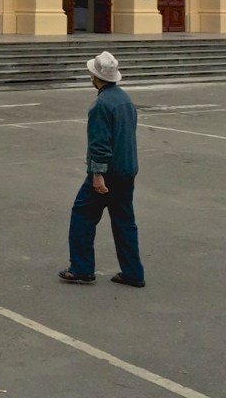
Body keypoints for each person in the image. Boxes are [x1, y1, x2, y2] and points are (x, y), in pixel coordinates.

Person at [58, 50, 145, 288]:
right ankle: (133, 271)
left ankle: (81, 267)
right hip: (127, 169)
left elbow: (100, 143)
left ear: (96, 77)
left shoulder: (101, 105)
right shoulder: (125, 99)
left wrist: (97, 174)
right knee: (124, 222)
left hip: (108, 172)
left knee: (82, 215)